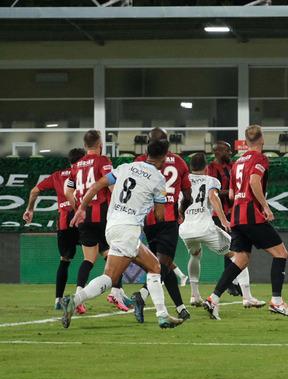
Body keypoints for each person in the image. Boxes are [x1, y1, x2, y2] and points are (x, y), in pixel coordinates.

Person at [60, 139, 184, 329]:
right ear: (165, 156)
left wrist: (81, 209)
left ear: (146, 152)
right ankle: (75, 300)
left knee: (154, 267)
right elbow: (160, 215)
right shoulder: (158, 179)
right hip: (129, 229)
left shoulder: (125, 167)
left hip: (112, 226)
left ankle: (163, 315)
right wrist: (150, 204)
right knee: (111, 277)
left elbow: (98, 185)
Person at [203, 124, 288, 319]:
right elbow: (255, 182)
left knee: (241, 259)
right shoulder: (260, 158)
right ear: (262, 139)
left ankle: (213, 298)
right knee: (281, 253)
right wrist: (265, 206)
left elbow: (230, 194)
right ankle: (277, 302)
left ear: (246, 141)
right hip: (250, 213)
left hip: (236, 215)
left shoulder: (237, 162)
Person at [179, 153, 265, 311]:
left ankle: (194, 295)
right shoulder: (211, 180)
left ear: (190, 167)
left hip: (185, 229)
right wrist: (224, 220)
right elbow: (213, 197)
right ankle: (247, 297)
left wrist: (181, 218)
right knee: (240, 255)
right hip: (204, 227)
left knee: (195, 254)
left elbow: (180, 203)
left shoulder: (183, 181)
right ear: (206, 167)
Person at [132, 128, 193, 323]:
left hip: (148, 220)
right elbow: (188, 195)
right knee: (161, 264)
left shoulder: (138, 162)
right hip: (167, 218)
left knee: (161, 264)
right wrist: (181, 210)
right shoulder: (180, 162)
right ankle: (141, 295)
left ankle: (181, 307)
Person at [24, 148, 86, 309]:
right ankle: (112, 292)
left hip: (65, 224)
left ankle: (58, 300)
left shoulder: (57, 175)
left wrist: (30, 209)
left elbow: (34, 191)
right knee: (96, 255)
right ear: (83, 159)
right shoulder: (84, 173)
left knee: (65, 260)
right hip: (82, 220)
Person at [64, 130, 118, 314]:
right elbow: (111, 185)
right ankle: (117, 292)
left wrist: (78, 207)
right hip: (102, 214)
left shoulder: (76, 165)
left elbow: (68, 191)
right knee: (115, 254)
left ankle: (78, 295)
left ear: (85, 145)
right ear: (100, 143)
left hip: (84, 217)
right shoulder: (103, 161)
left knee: (89, 259)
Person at [206, 140, 243, 296]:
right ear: (217, 152)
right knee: (229, 247)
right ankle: (230, 283)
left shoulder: (231, 166)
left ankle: (231, 282)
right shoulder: (211, 168)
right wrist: (228, 192)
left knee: (234, 246)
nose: (230, 153)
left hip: (233, 212)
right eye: (227, 151)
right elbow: (211, 191)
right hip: (219, 214)